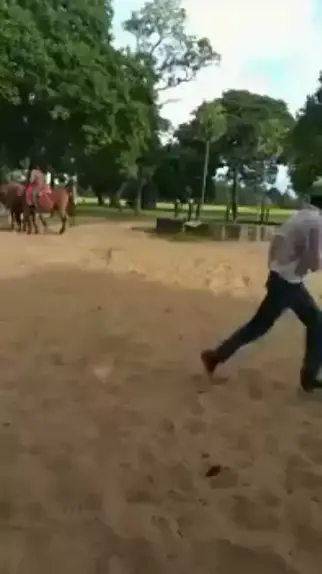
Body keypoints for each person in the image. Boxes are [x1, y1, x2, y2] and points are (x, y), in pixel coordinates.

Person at [201, 193, 322, 392]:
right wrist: (303, 267)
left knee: (262, 325)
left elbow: (277, 240)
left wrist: (277, 267)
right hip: (287, 283)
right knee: (311, 323)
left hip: (281, 278)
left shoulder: (300, 215)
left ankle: (216, 356)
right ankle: (308, 376)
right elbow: (315, 260)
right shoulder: (316, 222)